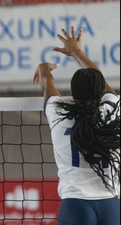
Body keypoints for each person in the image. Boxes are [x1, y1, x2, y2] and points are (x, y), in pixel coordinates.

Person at [33, 26, 120, 225]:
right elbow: (104, 85)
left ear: (72, 93)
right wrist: (78, 53)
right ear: (101, 94)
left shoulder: (58, 111)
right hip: (111, 206)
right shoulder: (112, 111)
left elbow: (48, 84)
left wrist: (43, 68)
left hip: (75, 205)